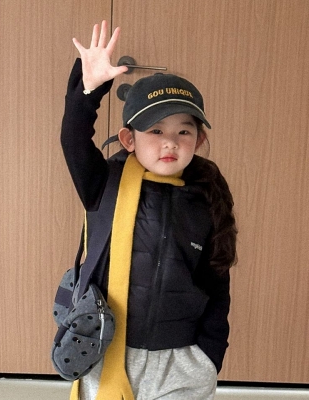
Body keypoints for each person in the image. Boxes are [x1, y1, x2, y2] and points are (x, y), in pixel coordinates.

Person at [60, 20, 237, 400]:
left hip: (180, 359)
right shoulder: (102, 184)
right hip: (106, 350)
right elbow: (73, 138)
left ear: (198, 139)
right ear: (129, 138)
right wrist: (89, 90)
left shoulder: (207, 197)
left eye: (183, 131)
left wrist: (209, 354)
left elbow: (217, 281)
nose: (169, 142)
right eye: (155, 131)